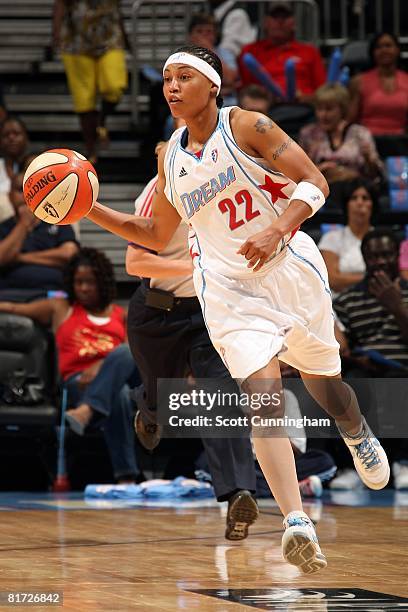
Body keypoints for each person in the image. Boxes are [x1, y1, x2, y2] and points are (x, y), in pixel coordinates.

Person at [82, 45, 390, 574]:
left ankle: (356, 430)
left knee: (325, 384)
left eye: (183, 77)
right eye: (166, 79)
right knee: (262, 396)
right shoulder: (171, 159)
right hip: (228, 292)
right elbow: (155, 233)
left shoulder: (248, 126)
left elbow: (315, 182)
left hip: (289, 268)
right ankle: (297, 523)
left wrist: (276, 227)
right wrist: (90, 210)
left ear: (212, 85)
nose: (171, 87)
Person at [126, 160, 259, 540]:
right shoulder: (159, 192)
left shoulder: (227, 185)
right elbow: (135, 261)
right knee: (161, 398)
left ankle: (239, 496)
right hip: (156, 313)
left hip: (206, 313)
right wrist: (196, 264)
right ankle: (149, 407)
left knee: (222, 399)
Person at [0, 247, 141, 484]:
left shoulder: (120, 315)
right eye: (78, 282)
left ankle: (86, 412)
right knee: (120, 394)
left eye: (90, 282)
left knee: (127, 356)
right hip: (77, 384)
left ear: (103, 282)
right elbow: (15, 308)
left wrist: (100, 366)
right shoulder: (61, 308)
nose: (83, 288)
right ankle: (126, 478)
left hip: (113, 381)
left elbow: (133, 358)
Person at [333, 229, 408, 491]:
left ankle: (402, 462)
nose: (379, 262)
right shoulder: (347, 299)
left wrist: (397, 307)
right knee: (345, 386)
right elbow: (343, 345)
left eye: (386, 255)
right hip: (364, 369)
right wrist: (353, 357)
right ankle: (352, 465)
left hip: (402, 368)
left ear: (396, 256)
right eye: (373, 256)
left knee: (398, 382)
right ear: (364, 258)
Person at [52, 0, 129, 163]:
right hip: (76, 41)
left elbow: (117, 6)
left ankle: (101, 122)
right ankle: (91, 148)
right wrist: (55, 35)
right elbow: (60, 4)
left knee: (114, 86)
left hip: (110, 38)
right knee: (84, 100)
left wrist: (125, 34)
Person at [298, 84, 384, 188]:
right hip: (321, 190)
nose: (323, 115)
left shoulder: (360, 133)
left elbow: (377, 174)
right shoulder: (308, 134)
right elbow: (299, 172)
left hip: (354, 190)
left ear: (342, 109)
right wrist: (320, 169)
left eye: (329, 109)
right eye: (319, 109)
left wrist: (367, 160)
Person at [238, 3, 326, 102]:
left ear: (294, 23)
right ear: (266, 22)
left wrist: (304, 98)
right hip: (263, 108)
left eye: (285, 16)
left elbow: (322, 92)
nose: (280, 21)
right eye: (275, 16)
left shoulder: (310, 51)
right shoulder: (249, 51)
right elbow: (243, 90)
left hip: (304, 108)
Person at [318, 179, 376, 295]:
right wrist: (370, 279)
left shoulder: (382, 239)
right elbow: (333, 280)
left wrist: (346, 279)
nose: (360, 203)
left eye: (365, 198)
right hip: (339, 302)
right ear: (346, 205)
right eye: (354, 198)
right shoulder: (331, 238)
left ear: (373, 205)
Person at [348, 32, 408, 136]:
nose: (384, 50)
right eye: (378, 47)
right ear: (373, 52)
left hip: (402, 142)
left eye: (388, 46)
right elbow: (350, 120)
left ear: (398, 50)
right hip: (367, 141)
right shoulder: (358, 81)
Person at [0, 116, 34, 223]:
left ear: (26, 138)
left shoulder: (36, 167)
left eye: (16, 133)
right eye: (6, 135)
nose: (11, 138)